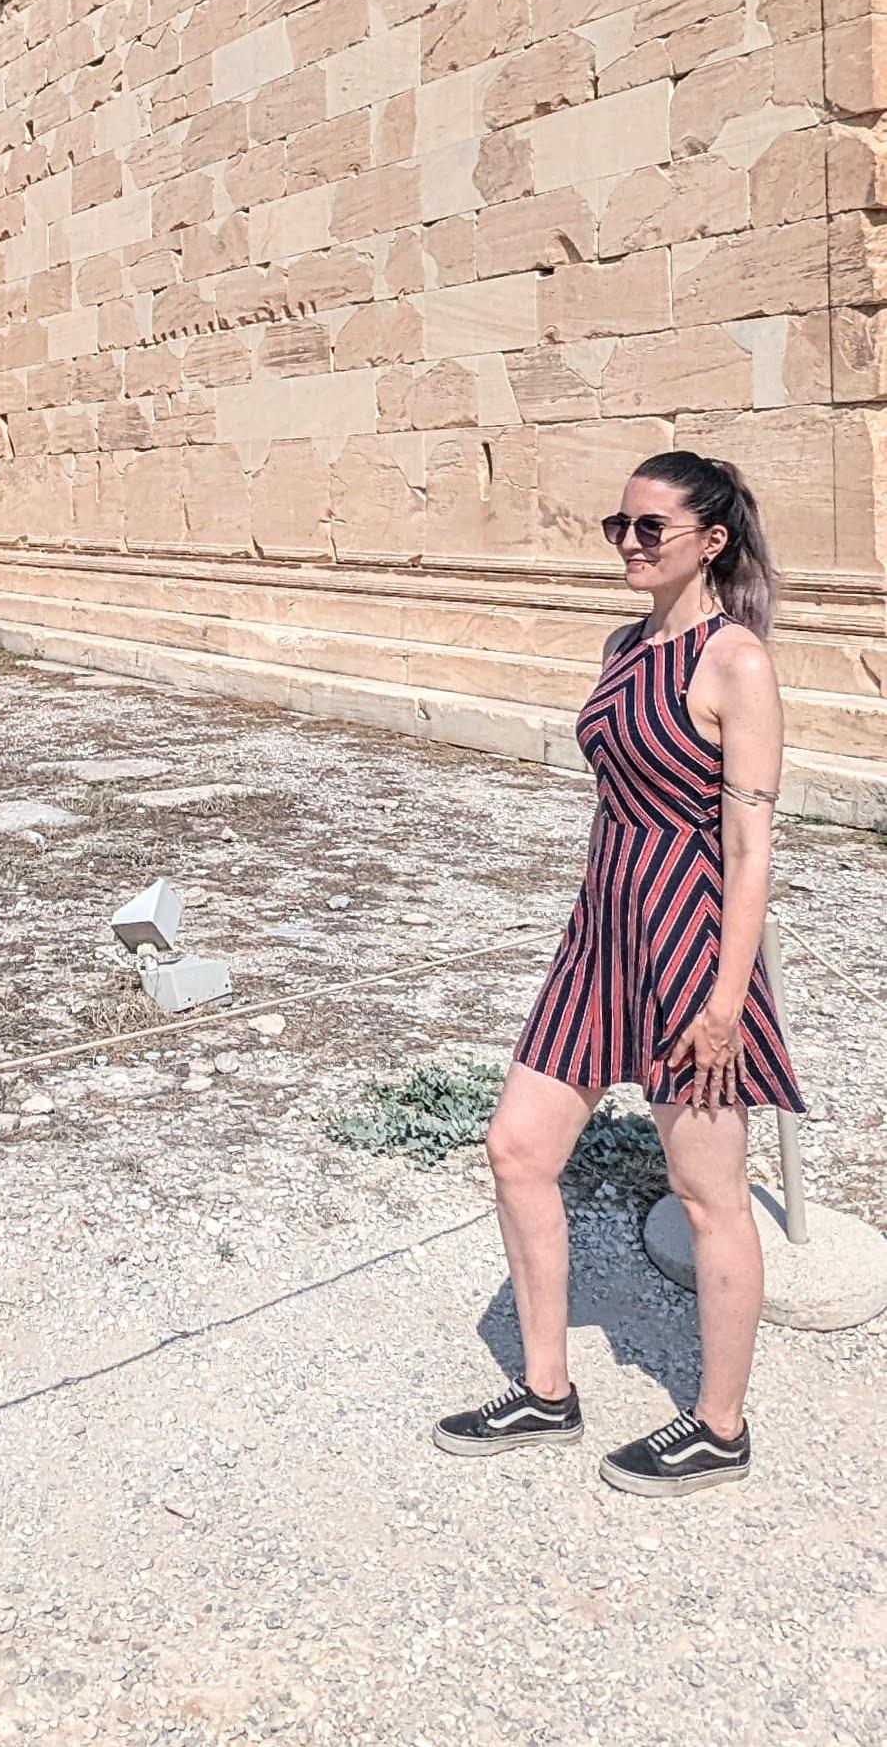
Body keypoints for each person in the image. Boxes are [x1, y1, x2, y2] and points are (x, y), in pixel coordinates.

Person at [434, 451, 805, 1497]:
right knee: (513, 1148)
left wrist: (726, 999)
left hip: (690, 944)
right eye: (618, 526)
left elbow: (749, 851)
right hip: (600, 932)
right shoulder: (620, 644)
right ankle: (546, 1391)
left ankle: (717, 1425)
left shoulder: (735, 662)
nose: (629, 545)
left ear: (709, 541)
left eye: (650, 528)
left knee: (705, 1192)